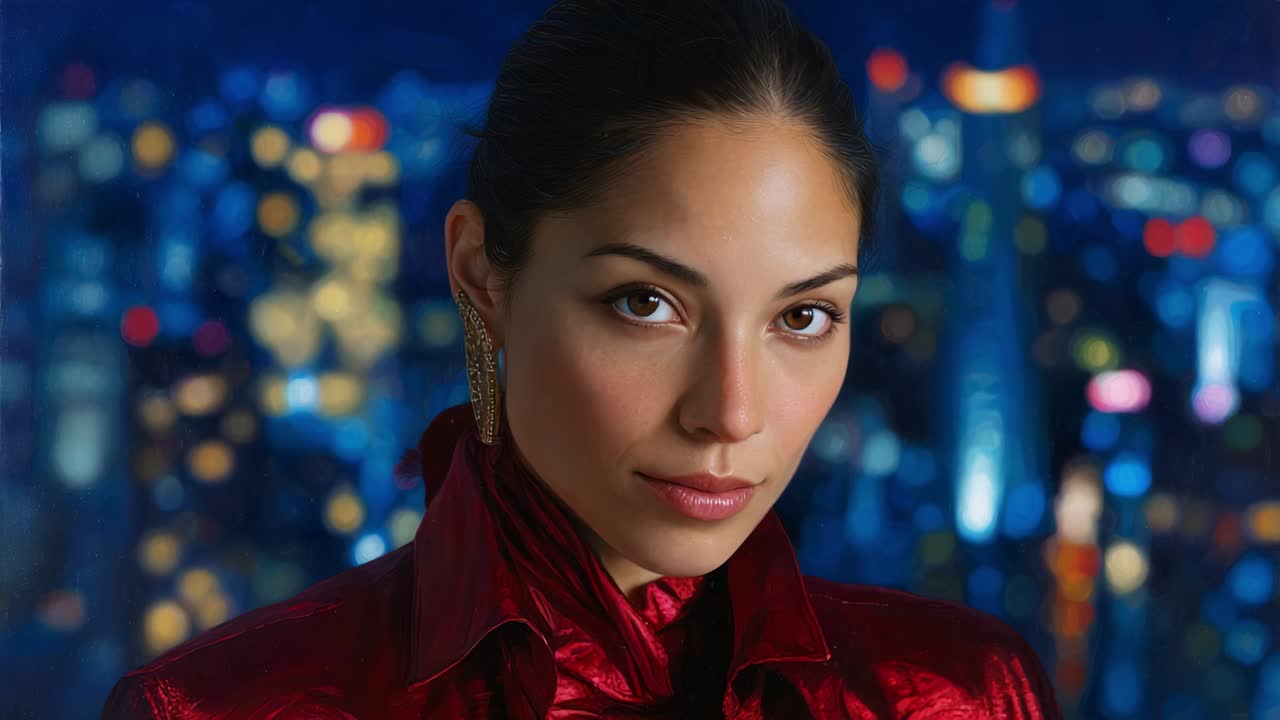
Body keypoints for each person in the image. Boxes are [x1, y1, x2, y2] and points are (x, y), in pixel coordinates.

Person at [102, 0, 1063, 717]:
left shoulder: (963, 694)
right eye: (646, 304)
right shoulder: (220, 709)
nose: (731, 414)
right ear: (481, 274)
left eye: (803, 317)